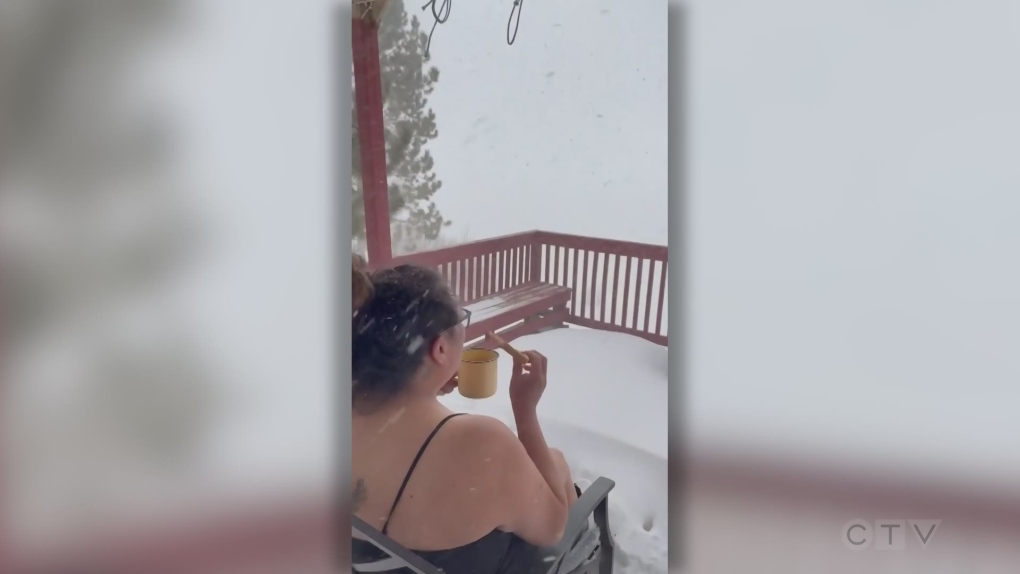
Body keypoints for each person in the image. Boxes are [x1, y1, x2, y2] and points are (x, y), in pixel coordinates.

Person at [350, 255, 584, 574]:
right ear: (440, 349)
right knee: (555, 463)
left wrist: (425, 385)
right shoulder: (482, 446)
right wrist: (525, 409)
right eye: (461, 319)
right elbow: (553, 529)